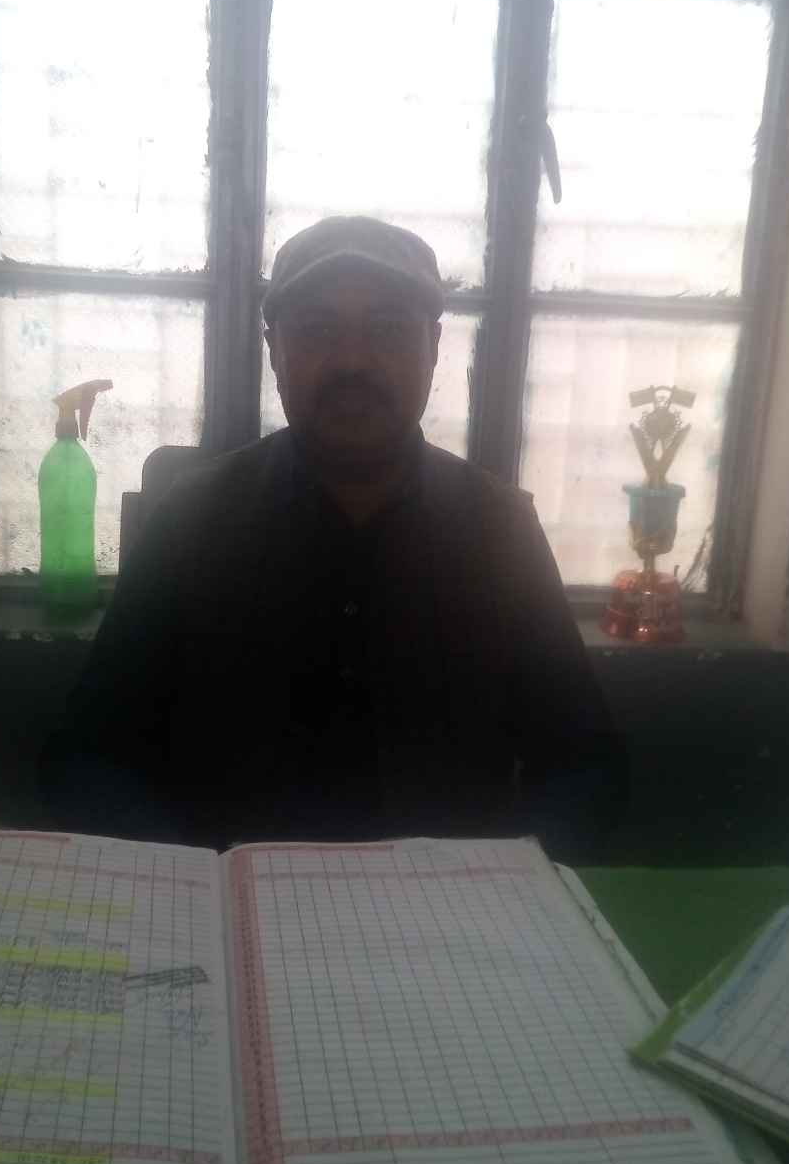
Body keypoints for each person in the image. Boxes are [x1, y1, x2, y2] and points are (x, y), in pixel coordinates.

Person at [39, 216, 628, 860]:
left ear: (434, 347)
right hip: (226, 904)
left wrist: (510, 881)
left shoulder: (501, 531)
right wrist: (184, 876)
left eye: (388, 330)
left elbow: (583, 768)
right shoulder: (190, 522)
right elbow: (88, 759)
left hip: (444, 911)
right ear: (274, 351)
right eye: (318, 330)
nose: (353, 360)